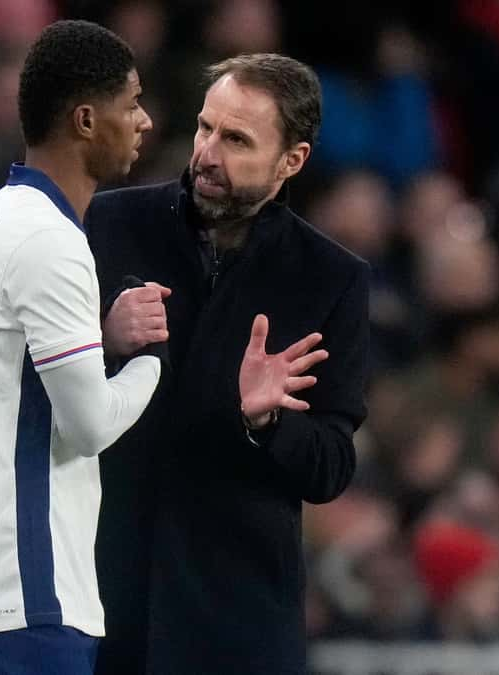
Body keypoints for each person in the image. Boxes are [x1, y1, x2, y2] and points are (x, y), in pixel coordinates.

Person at [87, 53, 370, 674]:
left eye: (236, 139)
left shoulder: (331, 280)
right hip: (98, 603)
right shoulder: (108, 224)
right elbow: (36, 384)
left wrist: (267, 423)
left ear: (290, 161)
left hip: (235, 626)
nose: (207, 154)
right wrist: (103, 340)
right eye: (204, 127)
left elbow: (331, 466)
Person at [0, 20, 161, 675]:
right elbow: (88, 424)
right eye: (131, 103)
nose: (144, 121)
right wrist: (153, 361)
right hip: (23, 589)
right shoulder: (52, 240)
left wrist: (97, 340)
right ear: (86, 119)